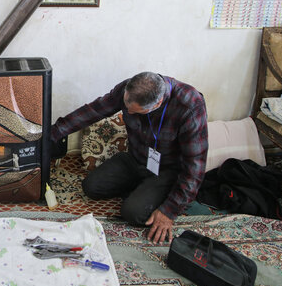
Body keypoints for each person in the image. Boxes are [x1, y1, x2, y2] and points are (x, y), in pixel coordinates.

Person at [51, 72, 208, 244]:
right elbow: (94, 110)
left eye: (135, 111)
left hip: (166, 170)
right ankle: (144, 191)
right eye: (126, 105)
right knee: (92, 187)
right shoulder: (131, 88)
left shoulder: (190, 106)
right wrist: (54, 133)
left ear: (158, 103)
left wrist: (169, 211)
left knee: (133, 213)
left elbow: (195, 169)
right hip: (136, 158)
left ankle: (154, 194)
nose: (127, 111)